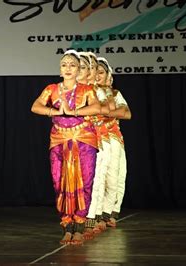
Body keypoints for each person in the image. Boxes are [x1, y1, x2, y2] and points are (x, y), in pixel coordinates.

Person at [31, 50, 101, 245]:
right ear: (60, 70)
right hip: (59, 139)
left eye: (72, 65)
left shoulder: (87, 89)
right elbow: (35, 106)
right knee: (59, 183)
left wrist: (74, 111)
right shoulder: (51, 88)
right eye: (64, 65)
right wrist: (54, 111)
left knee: (84, 181)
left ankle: (78, 226)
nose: (68, 68)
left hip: (83, 138)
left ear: (78, 70)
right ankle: (66, 226)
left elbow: (97, 108)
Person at [76, 52, 110, 240]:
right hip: (74, 137)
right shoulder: (69, 89)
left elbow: (106, 110)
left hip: (96, 136)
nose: (85, 71)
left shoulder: (98, 90)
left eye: (85, 67)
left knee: (94, 181)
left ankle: (91, 218)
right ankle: (75, 219)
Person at [97, 57, 131, 228]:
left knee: (118, 176)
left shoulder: (114, 94)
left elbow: (126, 113)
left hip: (114, 137)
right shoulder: (89, 93)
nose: (97, 76)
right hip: (96, 137)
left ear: (108, 76)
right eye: (94, 72)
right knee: (100, 177)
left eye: (101, 73)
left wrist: (105, 113)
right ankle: (98, 214)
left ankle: (112, 212)